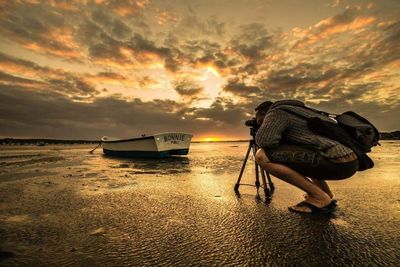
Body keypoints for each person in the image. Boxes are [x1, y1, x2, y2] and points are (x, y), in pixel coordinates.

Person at [254, 100, 358, 214]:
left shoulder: (277, 112)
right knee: (296, 153)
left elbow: (265, 141)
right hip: (349, 163)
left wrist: (263, 129)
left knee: (261, 156)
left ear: (264, 112)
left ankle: (319, 198)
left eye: (259, 119)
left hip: (337, 163)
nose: (259, 123)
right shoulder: (302, 111)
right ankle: (324, 193)